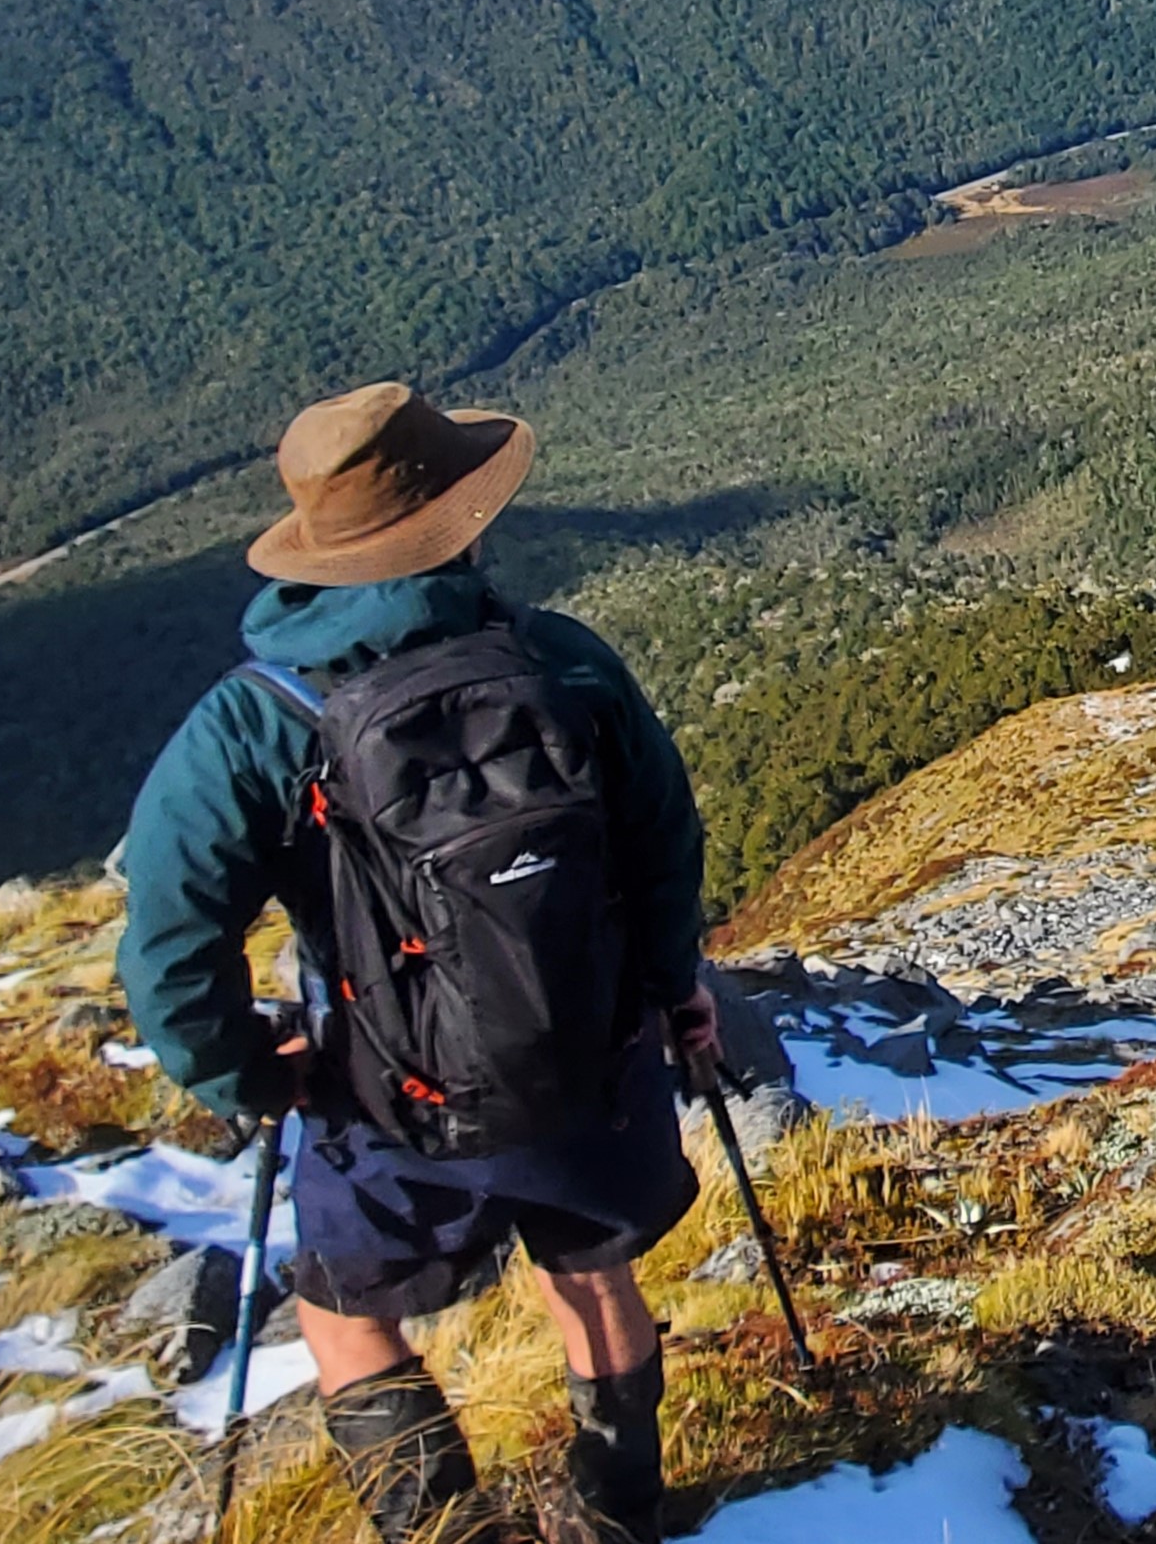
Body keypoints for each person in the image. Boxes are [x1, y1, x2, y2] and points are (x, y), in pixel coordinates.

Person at [118, 383, 719, 1544]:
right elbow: (661, 844)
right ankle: (620, 1513)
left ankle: (441, 1527)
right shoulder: (559, 661)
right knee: (591, 1275)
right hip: (582, 1060)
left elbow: (169, 938)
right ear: (457, 520)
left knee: (344, 1318)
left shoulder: (250, 725)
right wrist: (667, 987)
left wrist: (246, 1073)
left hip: (384, 1093)